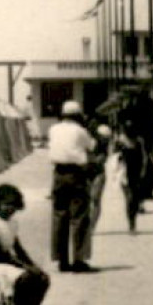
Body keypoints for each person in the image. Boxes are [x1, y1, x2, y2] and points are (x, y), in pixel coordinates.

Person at [0, 183, 51, 305]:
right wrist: (26, 267)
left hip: (8, 262)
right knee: (26, 279)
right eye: (6, 204)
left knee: (43, 279)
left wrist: (33, 265)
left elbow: (17, 248)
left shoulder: (12, 222)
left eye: (13, 205)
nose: (9, 209)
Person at [46, 100, 95, 273]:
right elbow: (91, 146)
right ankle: (79, 259)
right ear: (78, 116)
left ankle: (61, 259)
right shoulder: (81, 131)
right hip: (76, 174)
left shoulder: (53, 129)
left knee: (59, 216)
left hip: (58, 173)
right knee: (79, 217)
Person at [78, 123, 113, 266]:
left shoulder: (105, 148)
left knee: (95, 199)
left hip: (97, 172)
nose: (105, 140)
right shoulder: (91, 143)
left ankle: (92, 226)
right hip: (90, 172)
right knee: (88, 200)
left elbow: (100, 161)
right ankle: (89, 225)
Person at [115, 127, 150, 234]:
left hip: (136, 172)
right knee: (129, 199)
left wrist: (143, 171)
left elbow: (144, 158)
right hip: (124, 172)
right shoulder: (120, 141)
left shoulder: (139, 141)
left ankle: (132, 223)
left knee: (134, 199)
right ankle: (131, 224)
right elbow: (114, 156)